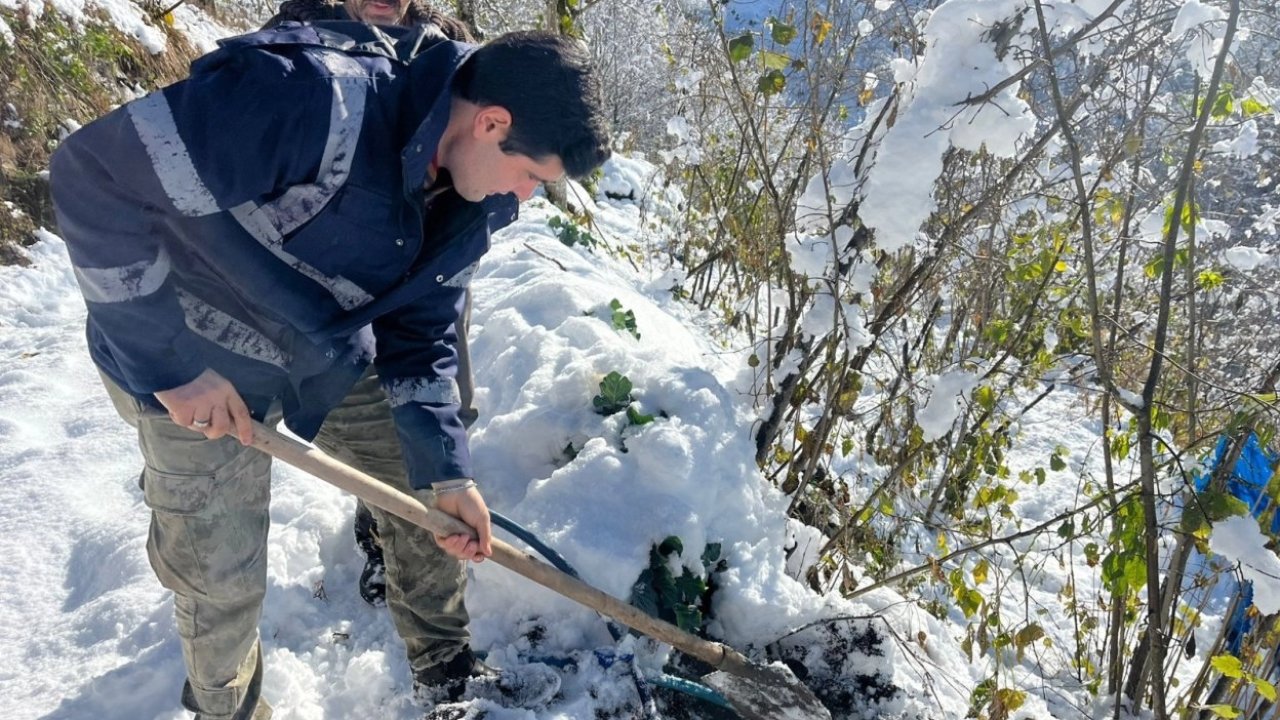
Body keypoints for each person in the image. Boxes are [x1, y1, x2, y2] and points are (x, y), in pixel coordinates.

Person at [50, 22, 610, 720]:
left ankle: (446, 673)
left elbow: (420, 325)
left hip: (318, 350)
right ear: (492, 122)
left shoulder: (479, 194)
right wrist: (171, 366)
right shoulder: (312, 98)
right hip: (189, 356)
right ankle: (228, 708)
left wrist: (447, 469)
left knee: (423, 499)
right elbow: (93, 172)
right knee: (219, 572)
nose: (525, 197)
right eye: (532, 176)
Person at [264, 0, 476, 611]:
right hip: (333, 302)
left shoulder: (448, 46)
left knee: (444, 410)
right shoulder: (293, 47)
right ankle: (395, 546)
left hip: (427, 285)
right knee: (389, 448)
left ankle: (394, 530)